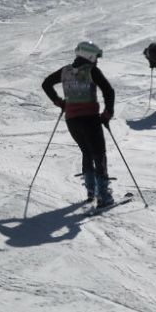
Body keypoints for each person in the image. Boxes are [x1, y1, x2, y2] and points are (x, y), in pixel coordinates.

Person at [42, 41, 115, 207]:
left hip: (72, 120)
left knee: (86, 152)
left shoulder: (65, 71)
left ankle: (91, 191)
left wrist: (59, 102)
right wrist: (108, 112)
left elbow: (46, 83)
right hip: (90, 118)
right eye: (95, 56)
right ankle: (103, 196)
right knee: (99, 154)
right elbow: (109, 91)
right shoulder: (91, 70)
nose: (96, 60)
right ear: (89, 56)